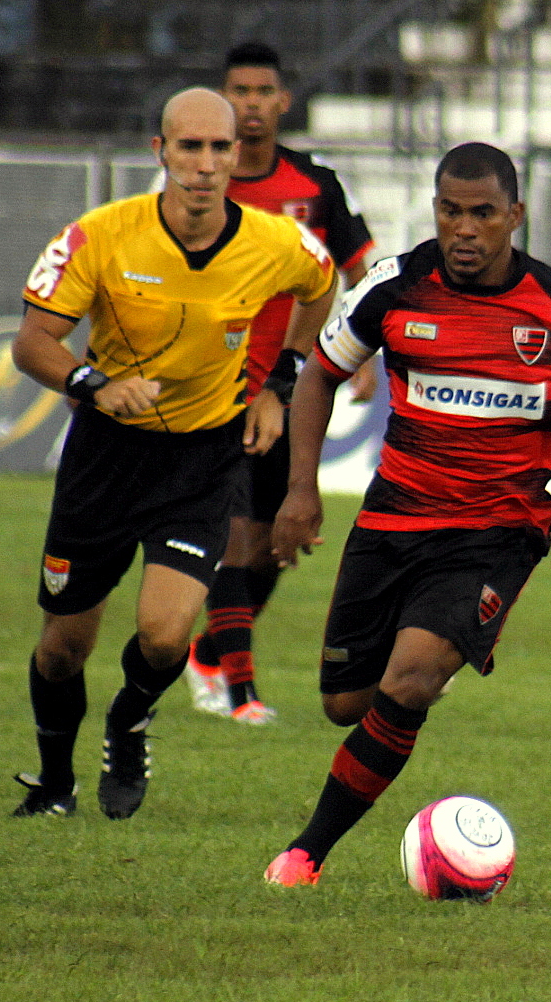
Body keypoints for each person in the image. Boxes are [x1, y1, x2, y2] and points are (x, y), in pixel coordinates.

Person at [263, 141, 551, 886]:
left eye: (482, 214)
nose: (464, 229)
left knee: (407, 684)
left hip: (497, 533)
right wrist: (299, 490)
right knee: (343, 703)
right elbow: (320, 378)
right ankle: (431, 654)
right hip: (393, 519)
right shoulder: (392, 287)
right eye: (449, 211)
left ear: (513, 217)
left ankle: (305, 855)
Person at [10, 86, 336, 820]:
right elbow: (32, 342)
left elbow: (320, 288)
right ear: (160, 153)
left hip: (201, 458)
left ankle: (128, 723)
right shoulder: (101, 236)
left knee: (163, 637)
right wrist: (94, 384)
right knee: (63, 647)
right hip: (105, 456)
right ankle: (53, 784)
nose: (205, 164)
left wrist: (277, 381)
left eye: (220, 148)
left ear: (236, 157)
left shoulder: (274, 241)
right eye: (189, 147)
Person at [184, 42, 376, 725]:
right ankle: (241, 693)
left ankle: (209, 650)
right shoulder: (203, 183)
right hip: (215, 387)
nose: (251, 103)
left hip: (291, 387)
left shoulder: (315, 186)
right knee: (234, 536)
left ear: (282, 101)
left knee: (271, 548)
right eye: (239, 90)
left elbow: (361, 268)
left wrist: (367, 353)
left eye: (263, 91)